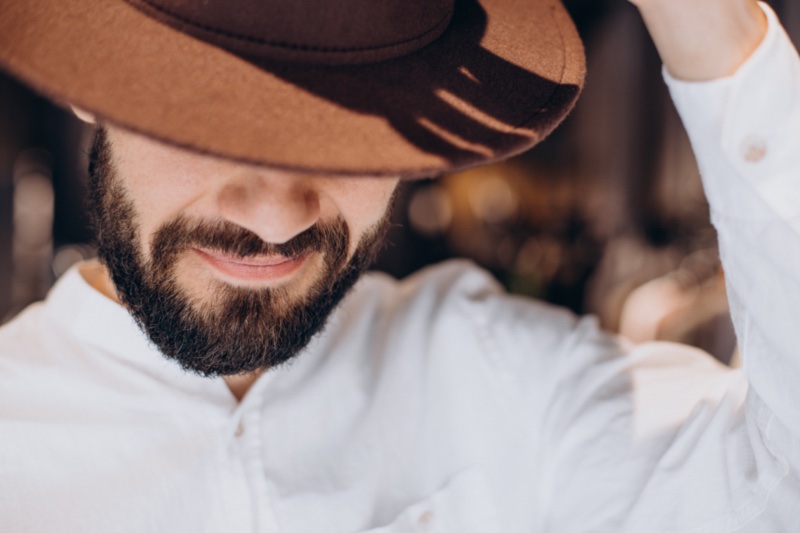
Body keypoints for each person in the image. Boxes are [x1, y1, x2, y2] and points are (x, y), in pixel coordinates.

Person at [0, 0, 797, 531]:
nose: (277, 216)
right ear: (90, 83)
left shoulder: (500, 376)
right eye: (206, 121)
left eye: (349, 133)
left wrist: (717, 35)